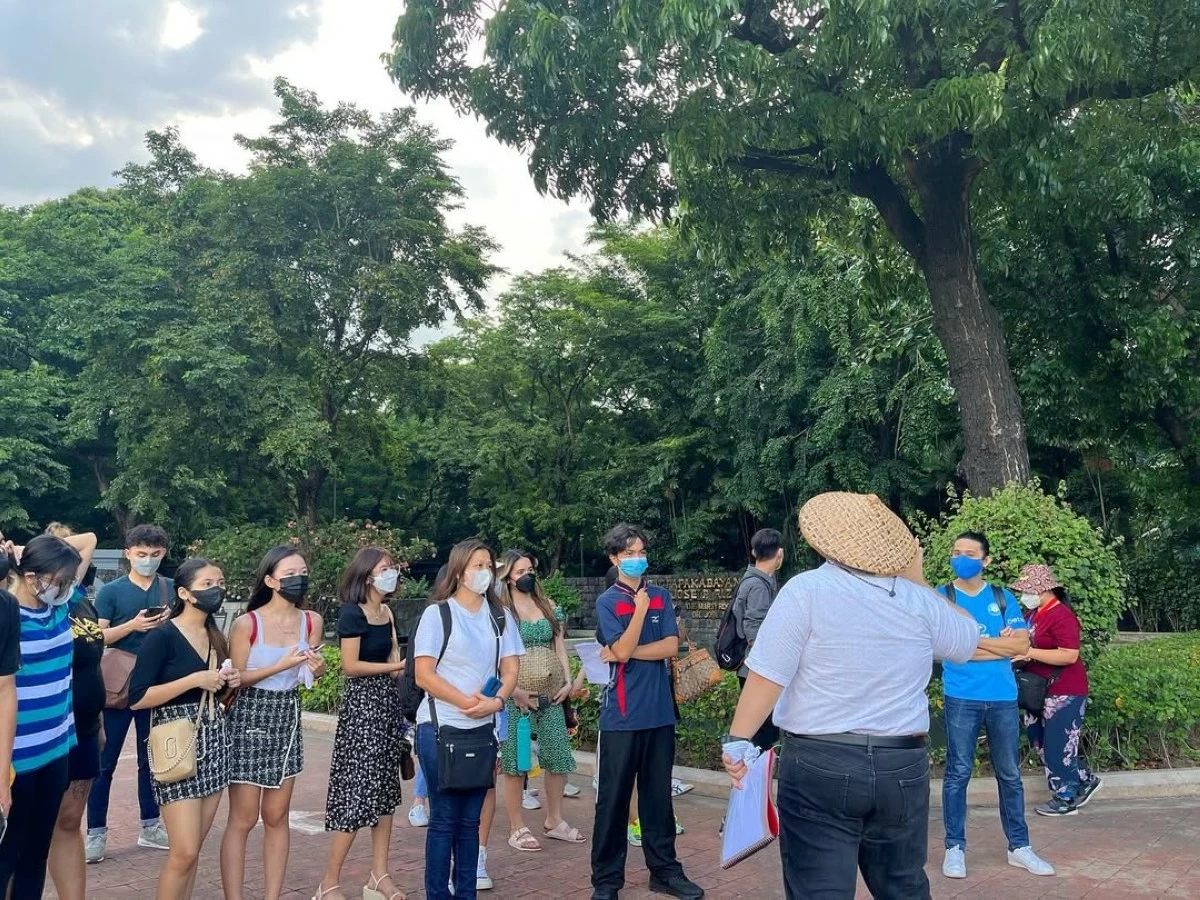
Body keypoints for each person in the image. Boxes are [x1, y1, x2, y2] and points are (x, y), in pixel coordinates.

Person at [722, 492, 985, 899]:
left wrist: (738, 740)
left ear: (823, 541)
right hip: (901, 763)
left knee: (819, 888)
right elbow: (967, 638)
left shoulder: (806, 590)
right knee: (904, 887)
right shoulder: (916, 598)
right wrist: (919, 580)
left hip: (819, 763)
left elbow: (767, 675)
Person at [591, 524, 703, 900]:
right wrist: (638, 614)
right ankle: (606, 881)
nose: (637, 559)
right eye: (628, 553)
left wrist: (627, 649)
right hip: (622, 717)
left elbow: (670, 645)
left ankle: (665, 872)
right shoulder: (608, 602)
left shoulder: (661, 595)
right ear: (614, 558)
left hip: (659, 713)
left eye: (640, 552)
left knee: (658, 798)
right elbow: (618, 650)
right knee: (614, 799)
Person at [938, 531, 1055, 880]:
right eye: (956, 552)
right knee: (958, 773)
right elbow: (947, 648)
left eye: (970, 553)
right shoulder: (942, 597)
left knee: (1010, 775)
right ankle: (954, 847)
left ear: (985, 560)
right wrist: (997, 644)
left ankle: (1019, 847)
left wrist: (974, 643)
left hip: (1003, 698)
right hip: (961, 696)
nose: (962, 558)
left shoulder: (1002, 597)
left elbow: (1019, 647)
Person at [413, 539, 524, 900]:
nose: (485, 572)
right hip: (440, 727)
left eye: (489, 566)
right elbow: (423, 674)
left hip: (482, 731)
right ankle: (437, 894)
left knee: (470, 821)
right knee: (444, 820)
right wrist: (466, 702)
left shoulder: (500, 617)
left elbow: (510, 667)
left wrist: (496, 701)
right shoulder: (438, 614)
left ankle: (466, 893)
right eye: (478, 565)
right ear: (459, 571)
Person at [129, 557, 239, 900]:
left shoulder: (215, 634)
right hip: (175, 740)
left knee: (194, 851)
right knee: (184, 851)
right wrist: (194, 679)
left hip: (214, 740)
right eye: (207, 584)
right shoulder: (163, 636)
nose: (215, 590)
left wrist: (227, 683)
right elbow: (137, 697)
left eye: (218, 582)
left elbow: (216, 692)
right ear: (185, 593)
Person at [221, 547, 327, 900]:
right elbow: (237, 678)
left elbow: (310, 672)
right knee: (244, 817)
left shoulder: (311, 620)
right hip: (250, 714)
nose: (299, 578)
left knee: (277, 814)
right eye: (290, 573)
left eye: (303, 571)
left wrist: (317, 669)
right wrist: (282, 664)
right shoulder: (247, 623)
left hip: (288, 714)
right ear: (270, 581)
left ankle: (272, 895)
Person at [313, 547, 407, 900]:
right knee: (358, 793)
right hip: (362, 706)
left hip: (386, 706)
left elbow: (394, 654)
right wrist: (396, 668)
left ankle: (379, 875)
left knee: (385, 793)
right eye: (385, 568)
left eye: (392, 568)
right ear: (367, 574)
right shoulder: (352, 614)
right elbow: (351, 666)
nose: (391, 573)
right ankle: (329, 882)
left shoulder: (387, 612)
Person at [0, 535, 81, 898]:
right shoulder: (6, 613)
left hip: (57, 746)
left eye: (68, 580)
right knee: (7, 856)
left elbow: (90, 540)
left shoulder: (58, 607)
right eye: (59, 580)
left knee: (36, 854)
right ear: (30, 577)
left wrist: (20, 553)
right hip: (17, 756)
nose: (64, 587)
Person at [88, 524, 174, 863]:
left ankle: (150, 824)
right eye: (141, 554)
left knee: (150, 760)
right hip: (117, 688)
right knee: (104, 763)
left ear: (163, 553)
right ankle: (96, 832)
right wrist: (133, 626)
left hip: (156, 685)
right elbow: (97, 638)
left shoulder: (170, 588)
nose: (147, 561)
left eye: (154, 555)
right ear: (128, 553)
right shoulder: (111, 592)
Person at [496, 549, 584, 851]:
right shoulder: (500, 610)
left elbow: (559, 646)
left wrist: (567, 680)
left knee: (557, 757)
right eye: (519, 572)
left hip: (551, 693)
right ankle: (516, 826)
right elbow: (495, 655)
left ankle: (554, 819)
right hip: (516, 696)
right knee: (516, 762)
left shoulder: (547, 606)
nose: (526, 576)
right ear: (507, 577)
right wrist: (513, 691)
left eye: (529, 570)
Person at [1011, 564, 1103, 816]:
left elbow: (1069, 654)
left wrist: (1028, 652)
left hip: (1065, 689)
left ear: (1044, 588)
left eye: (1027, 589)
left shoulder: (1061, 615)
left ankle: (1067, 793)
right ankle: (1084, 779)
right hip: (1037, 689)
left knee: (1059, 743)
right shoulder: (1031, 614)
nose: (1023, 595)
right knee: (1040, 740)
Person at [43, 526, 103, 900]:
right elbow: (88, 541)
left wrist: (97, 724)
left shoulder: (76, 598)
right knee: (28, 829)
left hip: (83, 727)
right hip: (43, 730)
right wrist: (18, 550)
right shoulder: (38, 602)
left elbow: (91, 538)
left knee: (68, 821)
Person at [732, 527, 784, 750]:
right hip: (756, 670)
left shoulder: (756, 580)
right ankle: (755, 781)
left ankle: (757, 778)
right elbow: (753, 627)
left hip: (753, 668)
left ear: (754, 552)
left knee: (762, 735)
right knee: (761, 737)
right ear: (780, 553)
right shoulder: (757, 585)